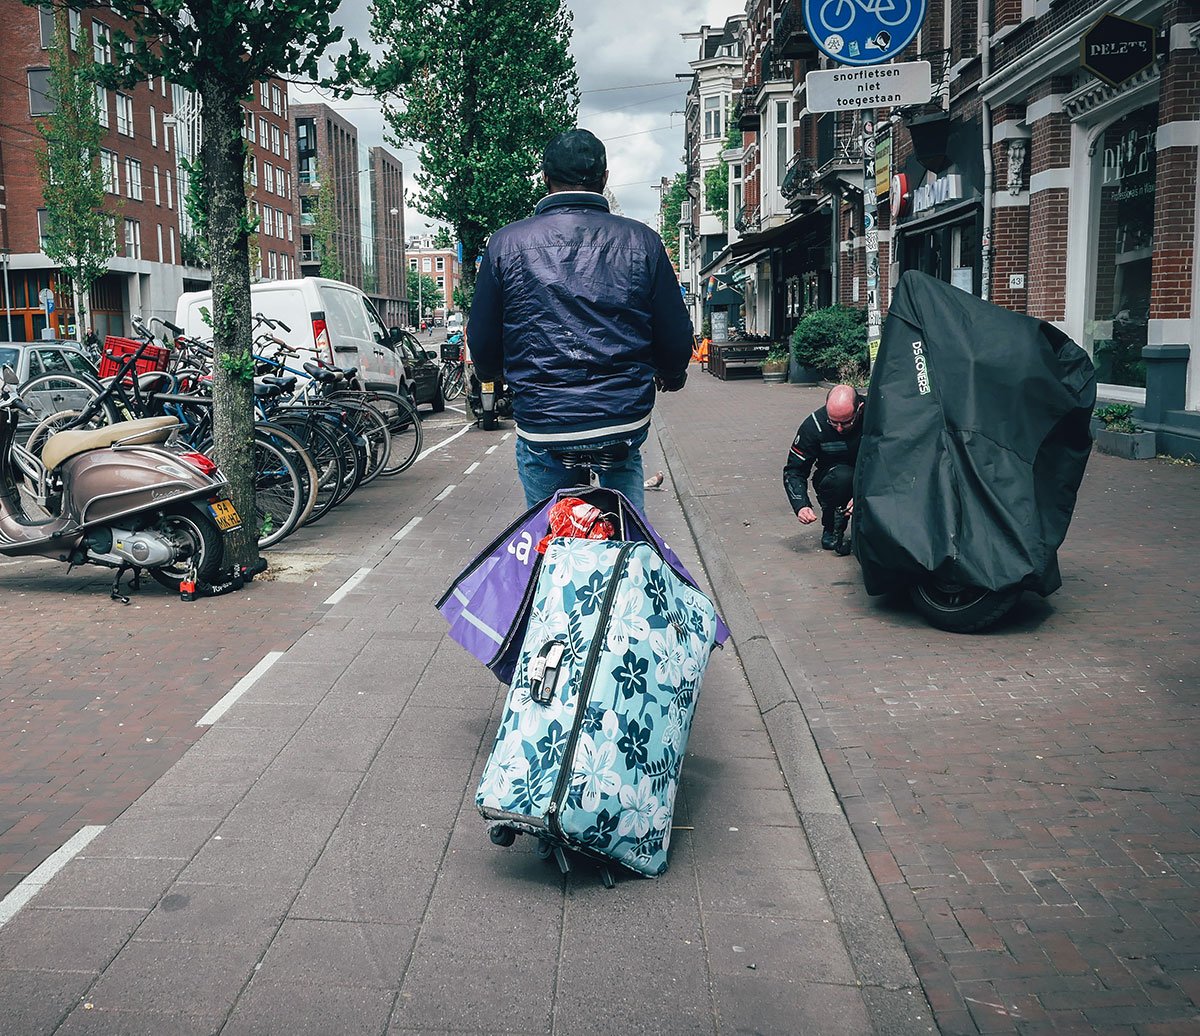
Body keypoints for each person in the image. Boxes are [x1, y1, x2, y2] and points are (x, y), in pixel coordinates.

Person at [468, 128, 693, 512]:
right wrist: (671, 374)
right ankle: (628, 547)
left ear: (544, 178)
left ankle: (552, 551)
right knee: (625, 507)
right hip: (621, 417)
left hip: (544, 418)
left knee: (549, 532)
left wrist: (501, 376)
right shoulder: (643, 241)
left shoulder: (506, 244)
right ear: (604, 179)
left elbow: (483, 339)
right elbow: (675, 334)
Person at [784, 384, 865, 553]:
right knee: (842, 478)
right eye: (833, 422)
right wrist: (801, 504)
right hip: (834, 474)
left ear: (860, 408)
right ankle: (832, 527)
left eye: (846, 422)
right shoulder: (813, 426)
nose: (839, 428)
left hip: (872, 473)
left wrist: (864, 494)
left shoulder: (876, 416)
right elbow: (794, 471)